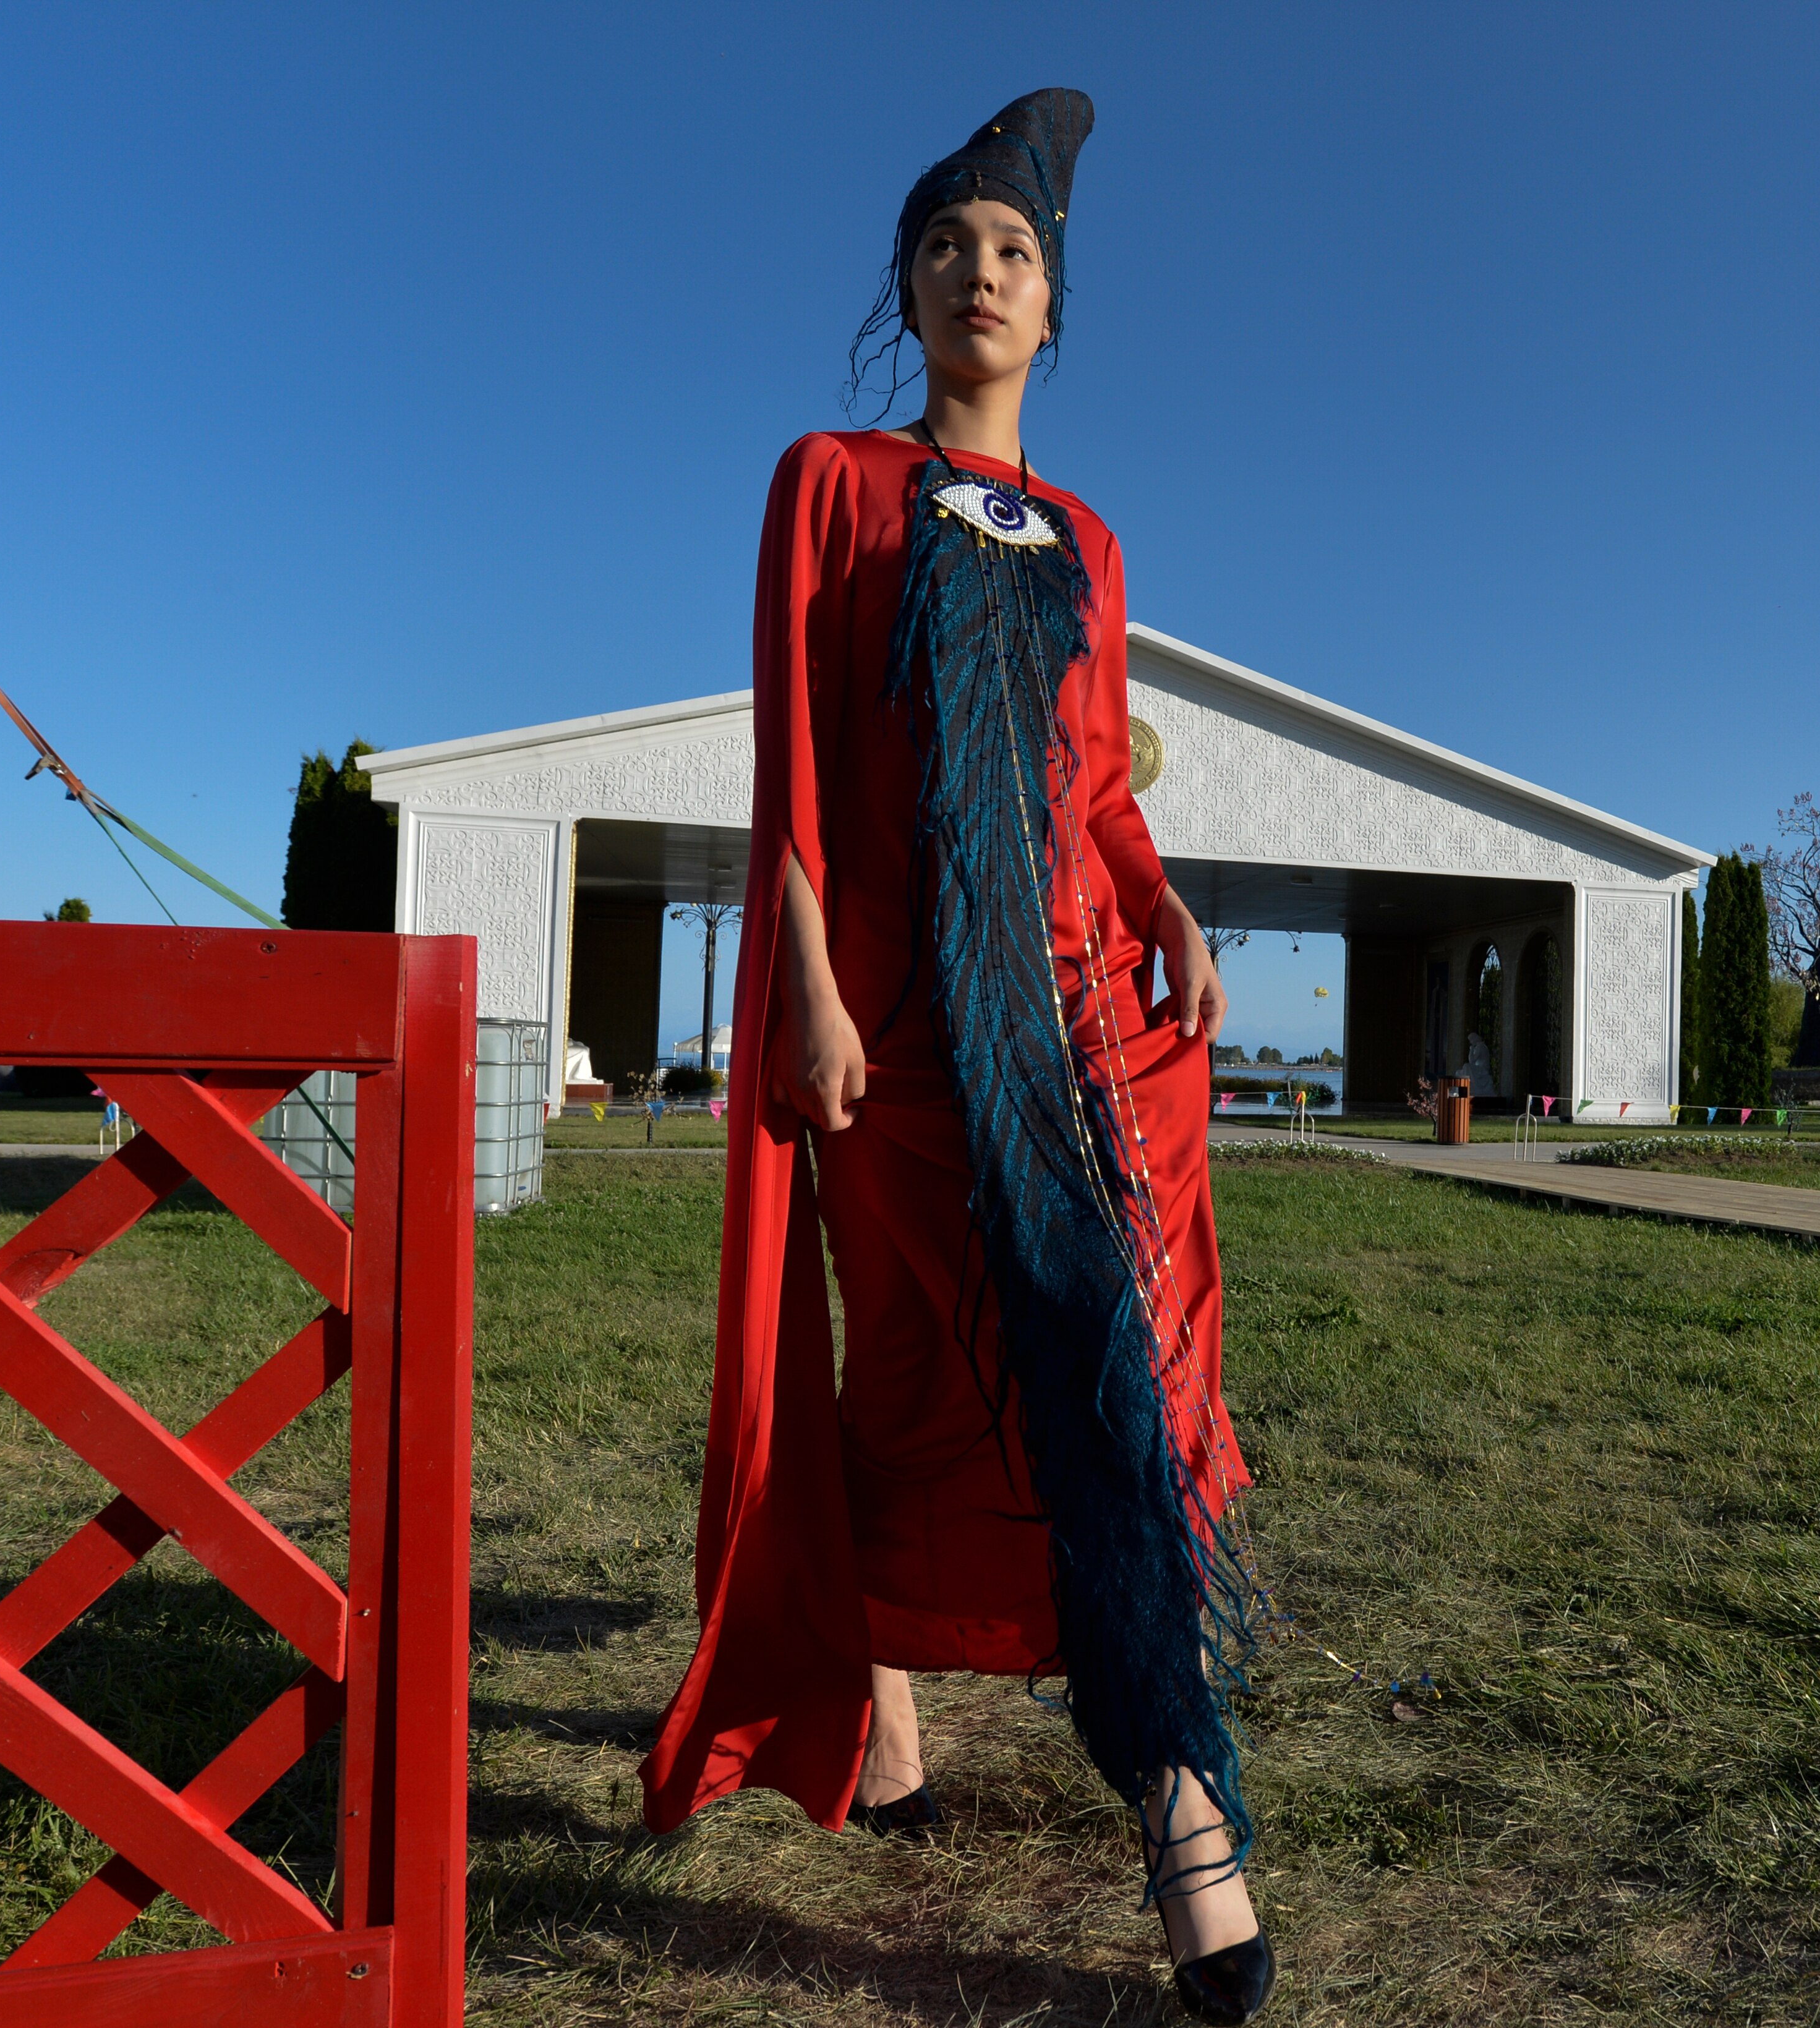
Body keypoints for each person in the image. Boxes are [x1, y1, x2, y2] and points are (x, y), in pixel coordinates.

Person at [638, 88, 1271, 2024]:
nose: (979, 273)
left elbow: (1093, 782)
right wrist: (809, 987)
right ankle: (885, 1686)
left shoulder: (1088, 535)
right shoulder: (830, 482)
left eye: (1014, 251)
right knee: (922, 1362)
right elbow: (801, 768)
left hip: (1084, 1018)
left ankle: (1180, 1795)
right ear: (907, 298)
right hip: (904, 1023)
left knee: (1131, 1358)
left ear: (1054, 312)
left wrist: (1161, 905)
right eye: (947, 247)